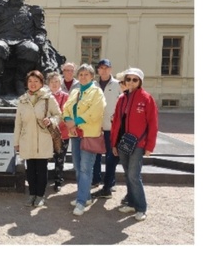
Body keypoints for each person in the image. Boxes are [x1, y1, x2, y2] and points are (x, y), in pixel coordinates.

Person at [111, 68, 158, 222]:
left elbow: (153, 123)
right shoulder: (122, 98)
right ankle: (131, 202)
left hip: (138, 143)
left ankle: (141, 207)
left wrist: (149, 146)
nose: (130, 82)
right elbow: (116, 122)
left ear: (140, 82)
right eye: (128, 79)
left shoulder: (146, 98)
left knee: (133, 175)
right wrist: (113, 143)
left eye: (134, 79)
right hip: (123, 142)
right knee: (127, 174)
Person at [62, 63, 105, 217]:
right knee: (78, 167)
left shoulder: (97, 92)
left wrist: (76, 122)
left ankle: (81, 202)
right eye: (81, 74)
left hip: (89, 135)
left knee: (86, 168)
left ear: (92, 76)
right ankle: (85, 196)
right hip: (75, 135)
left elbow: (95, 112)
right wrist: (68, 121)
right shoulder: (75, 91)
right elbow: (66, 108)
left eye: (86, 74)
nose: (83, 77)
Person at [13, 70, 61, 207]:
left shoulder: (48, 98)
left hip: (42, 139)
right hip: (27, 139)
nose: (33, 84)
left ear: (41, 83)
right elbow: (18, 123)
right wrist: (16, 142)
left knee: (41, 169)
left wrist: (51, 120)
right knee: (30, 169)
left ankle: (40, 195)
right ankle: (32, 194)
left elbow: (58, 115)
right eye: (30, 81)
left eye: (36, 81)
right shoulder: (22, 100)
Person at [92, 59, 120, 199]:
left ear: (111, 69)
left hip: (111, 126)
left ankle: (110, 182)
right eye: (101, 68)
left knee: (111, 156)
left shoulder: (117, 85)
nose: (104, 70)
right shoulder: (94, 85)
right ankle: (96, 179)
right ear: (98, 70)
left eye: (106, 68)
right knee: (96, 155)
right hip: (96, 126)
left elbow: (121, 103)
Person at [46, 71, 70, 191]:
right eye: (52, 82)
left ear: (60, 82)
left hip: (62, 132)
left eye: (56, 81)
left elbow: (67, 113)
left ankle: (58, 180)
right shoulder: (45, 96)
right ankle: (43, 180)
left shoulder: (66, 96)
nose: (54, 84)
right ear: (48, 84)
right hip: (46, 133)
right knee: (44, 157)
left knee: (60, 158)